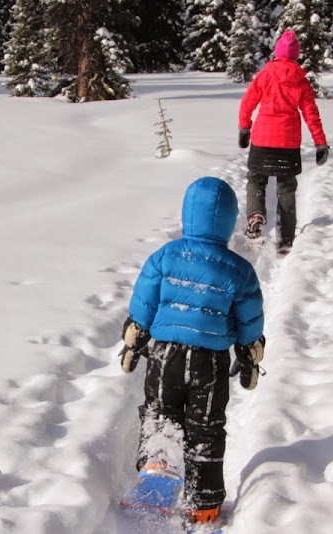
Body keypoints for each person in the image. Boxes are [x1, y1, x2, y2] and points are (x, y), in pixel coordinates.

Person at [118, 176, 266, 527]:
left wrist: (135, 340)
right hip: (210, 364)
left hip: (165, 355)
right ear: (228, 222)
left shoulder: (165, 256)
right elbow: (250, 322)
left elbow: (144, 303)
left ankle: (157, 471)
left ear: (188, 215)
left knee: (161, 413)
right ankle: (204, 505)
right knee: (206, 429)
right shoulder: (239, 270)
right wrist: (249, 356)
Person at [237, 29, 329, 251]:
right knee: (286, 187)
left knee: (256, 179)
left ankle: (256, 217)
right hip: (288, 143)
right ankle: (286, 239)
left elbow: (247, 102)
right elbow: (311, 115)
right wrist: (320, 143)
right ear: (296, 56)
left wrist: (244, 128)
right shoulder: (300, 80)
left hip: (262, 139)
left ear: (277, 53)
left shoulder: (265, 74)